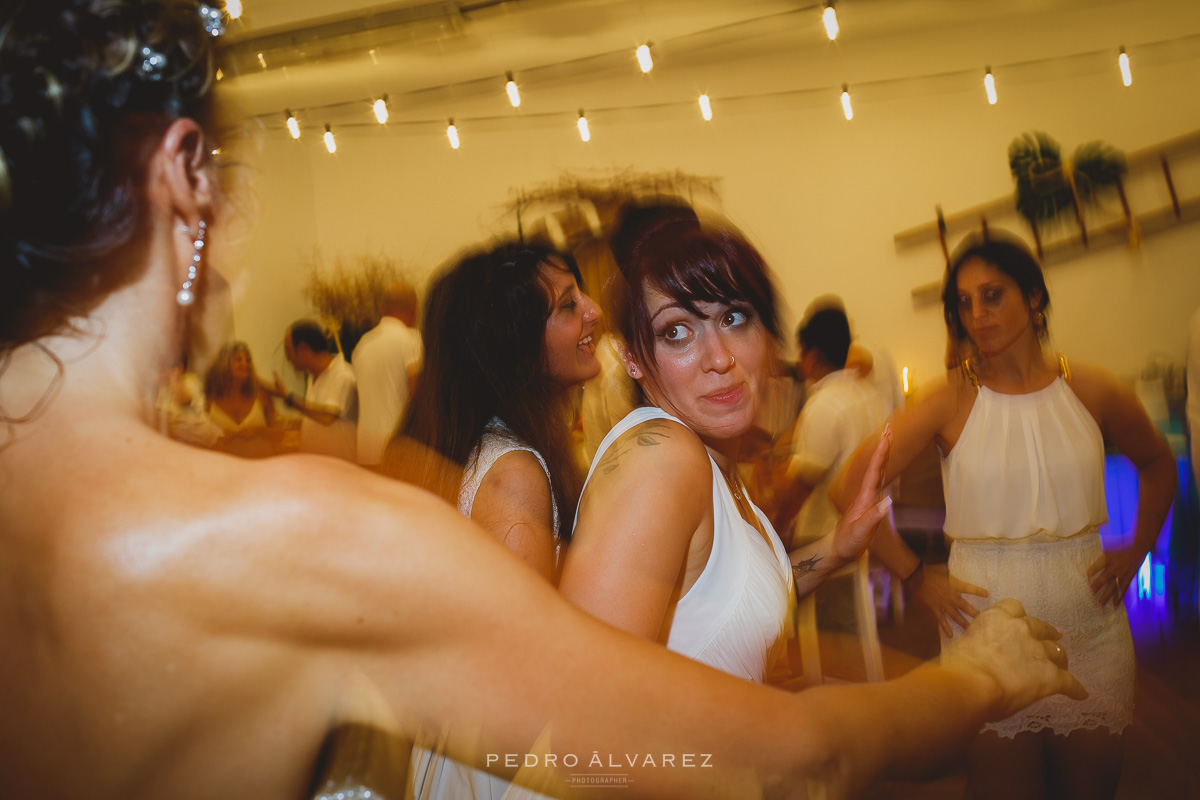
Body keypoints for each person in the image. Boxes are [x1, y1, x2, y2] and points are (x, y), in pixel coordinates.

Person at [0, 3, 1087, 798]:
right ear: (184, 172)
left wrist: (811, 560)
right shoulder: (302, 532)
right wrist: (977, 678)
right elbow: (785, 761)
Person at [833, 233, 1177, 800]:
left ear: (1035, 299)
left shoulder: (1093, 388)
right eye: (964, 303)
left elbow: (1158, 463)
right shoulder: (948, 400)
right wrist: (915, 576)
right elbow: (851, 489)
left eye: (992, 295)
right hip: (985, 627)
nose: (977, 314)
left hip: (1091, 625)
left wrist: (1139, 547)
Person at [560, 209, 875, 683]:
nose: (721, 358)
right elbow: (589, 714)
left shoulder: (711, 456)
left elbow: (728, 602)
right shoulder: (661, 457)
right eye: (677, 332)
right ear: (631, 357)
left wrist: (837, 548)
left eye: (733, 317)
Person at [387, 241, 601, 798]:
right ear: (517, 346)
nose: (594, 312)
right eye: (567, 306)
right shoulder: (514, 473)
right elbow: (522, 675)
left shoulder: (478, 448)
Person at [353, 280, 423, 467]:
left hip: (365, 448)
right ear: (415, 309)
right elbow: (418, 395)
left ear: (382, 309)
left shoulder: (362, 345)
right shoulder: (411, 339)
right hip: (398, 449)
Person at [269, 320, 358, 461]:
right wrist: (290, 424)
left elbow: (327, 418)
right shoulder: (313, 376)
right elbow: (315, 416)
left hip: (339, 468)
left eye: (288, 352)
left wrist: (288, 398)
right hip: (316, 466)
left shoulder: (343, 375)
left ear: (304, 349)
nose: (288, 359)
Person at [203, 340, 282, 458]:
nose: (245, 364)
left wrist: (259, 431)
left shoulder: (262, 396)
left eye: (248, 360)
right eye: (238, 359)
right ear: (224, 364)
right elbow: (202, 442)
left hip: (262, 468)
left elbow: (279, 435)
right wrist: (218, 437)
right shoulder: (209, 402)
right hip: (228, 471)